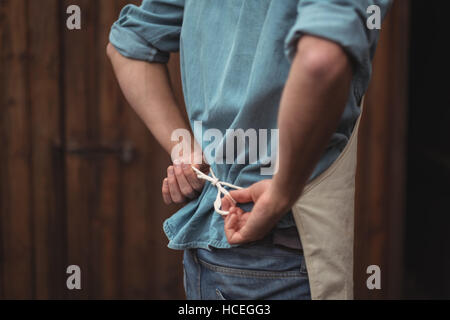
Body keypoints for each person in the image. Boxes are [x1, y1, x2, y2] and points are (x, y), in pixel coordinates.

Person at [107, 0, 391, 300]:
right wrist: (282, 193)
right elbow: (321, 59)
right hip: (282, 250)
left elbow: (130, 43)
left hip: (218, 260)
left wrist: (184, 148)